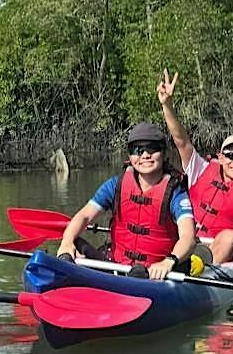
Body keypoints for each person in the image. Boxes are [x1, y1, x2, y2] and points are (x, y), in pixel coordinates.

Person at [55, 119, 199, 281]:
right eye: (138, 150)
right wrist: (67, 242)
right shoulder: (115, 185)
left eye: (152, 148)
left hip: (155, 273)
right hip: (117, 264)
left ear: (163, 153)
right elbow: (85, 216)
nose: (145, 155)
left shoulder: (175, 194)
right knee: (76, 242)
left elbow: (188, 237)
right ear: (130, 156)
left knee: (138, 273)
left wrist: (169, 261)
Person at [156, 70, 233, 268]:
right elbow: (181, 141)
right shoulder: (200, 168)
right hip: (182, 238)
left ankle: (197, 268)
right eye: (232, 156)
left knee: (230, 235)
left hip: (215, 249)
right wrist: (167, 105)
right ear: (220, 157)